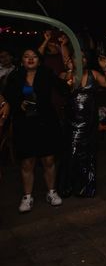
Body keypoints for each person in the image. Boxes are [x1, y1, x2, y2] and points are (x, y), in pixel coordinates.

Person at [3, 49, 65, 212]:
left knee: (49, 160)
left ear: (39, 59)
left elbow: (63, 88)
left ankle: (51, 192)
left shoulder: (47, 73)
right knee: (27, 161)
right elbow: (7, 97)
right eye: (26, 56)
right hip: (24, 124)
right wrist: (18, 104)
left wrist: (70, 76)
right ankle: (27, 196)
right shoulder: (15, 76)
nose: (30, 59)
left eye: (34, 56)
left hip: (45, 122)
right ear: (21, 60)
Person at [58, 51, 106, 197]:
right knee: (71, 152)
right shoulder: (64, 75)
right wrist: (70, 70)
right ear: (71, 59)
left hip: (89, 120)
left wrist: (105, 68)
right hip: (71, 121)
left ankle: (86, 187)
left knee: (88, 153)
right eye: (76, 56)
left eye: (83, 56)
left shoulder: (93, 74)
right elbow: (66, 89)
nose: (80, 59)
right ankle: (68, 186)